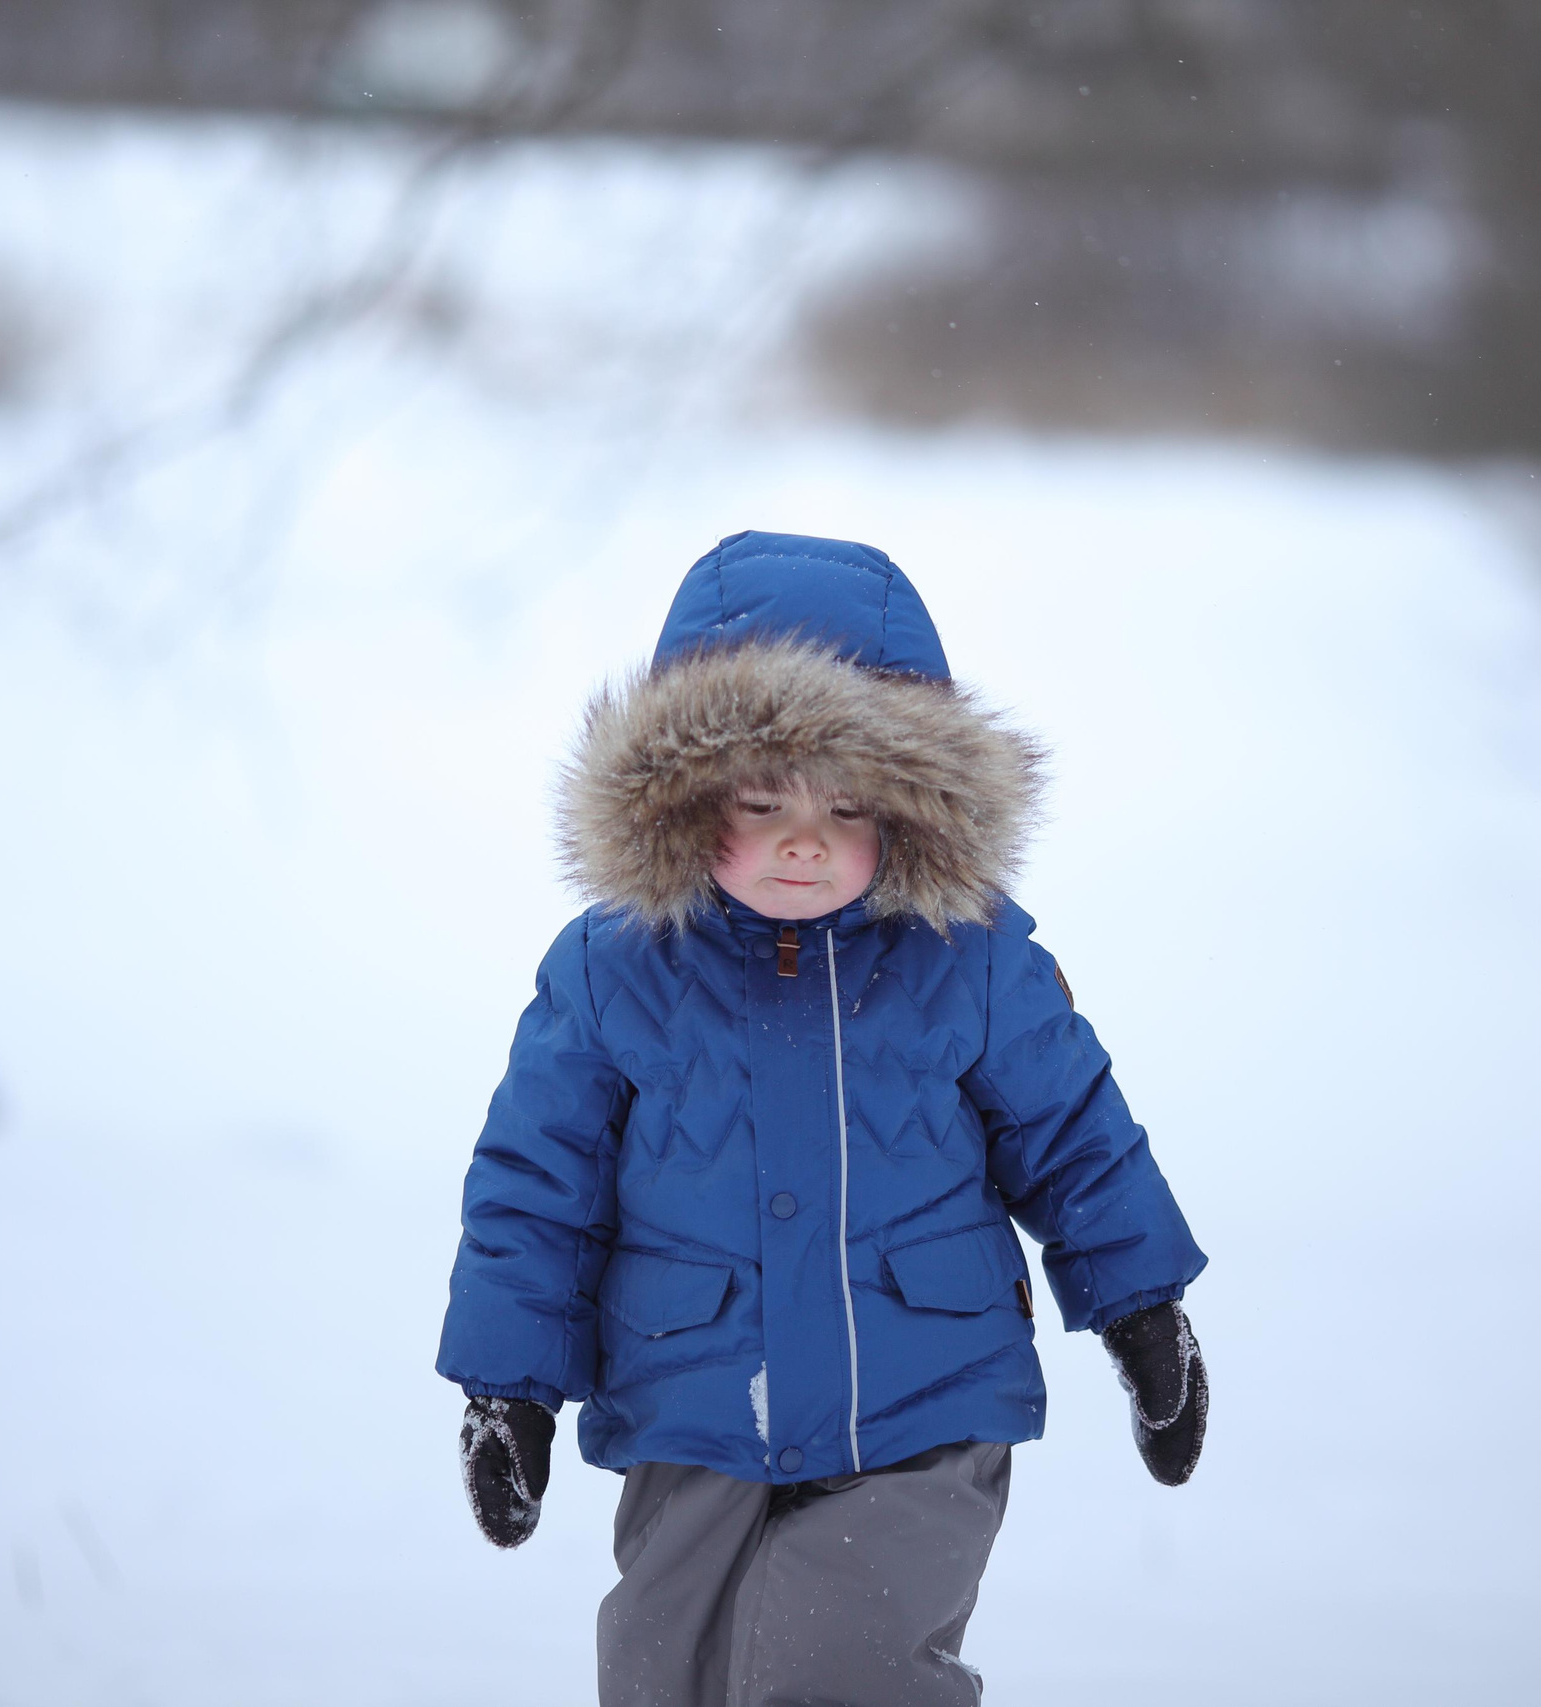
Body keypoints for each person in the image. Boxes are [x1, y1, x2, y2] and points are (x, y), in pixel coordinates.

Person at [436, 531, 1209, 1707]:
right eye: (762, 800)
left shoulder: (971, 961)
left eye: (846, 806)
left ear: (908, 812)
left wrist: (1143, 1312)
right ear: (687, 803)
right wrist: (508, 1385)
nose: (805, 840)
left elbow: (1075, 1137)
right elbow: (536, 1185)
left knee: (833, 1667)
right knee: (666, 1676)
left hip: (923, 1398)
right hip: (691, 1399)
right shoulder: (612, 970)